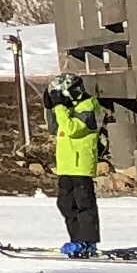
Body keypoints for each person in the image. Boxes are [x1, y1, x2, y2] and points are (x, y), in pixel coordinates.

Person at [47, 75, 109, 257]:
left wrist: (60, 106)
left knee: (84, 205)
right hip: (66, 166)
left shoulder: (87, 107)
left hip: (80, 165)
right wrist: (50, 107)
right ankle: (76, 239)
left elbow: (71, 128)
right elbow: (54, 128)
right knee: (66, 204)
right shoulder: (68, 109)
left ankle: (88, 242)